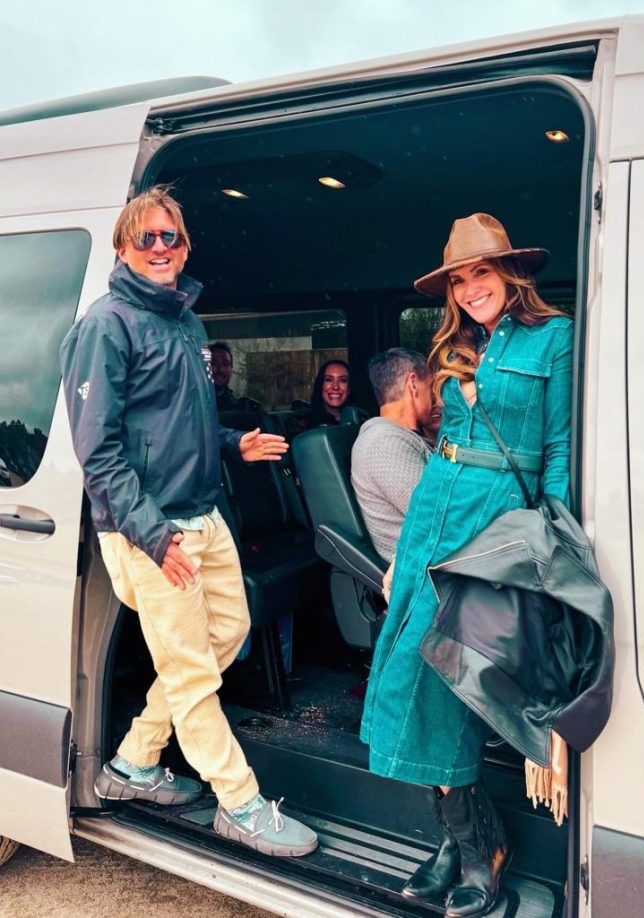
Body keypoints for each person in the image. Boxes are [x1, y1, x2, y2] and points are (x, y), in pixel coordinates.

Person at [59, 185, 317, 858]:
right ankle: (241, 804)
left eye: (170, 236)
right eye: (145, 237)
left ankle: (134, 760)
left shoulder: (186, 324)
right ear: (123, 248)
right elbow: (99, 452)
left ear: (185, 247)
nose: (159, 247)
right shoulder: (106, 325)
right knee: (192, 671)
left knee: (226, 636)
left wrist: (235, 445)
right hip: (150, 530)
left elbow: (184, 422)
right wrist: (153, 534)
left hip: (205, 514)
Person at [360, 213, 573, 917]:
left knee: (452, 680)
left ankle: (479, 847)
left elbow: (558, 452)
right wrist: (405, 550)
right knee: (412, 674)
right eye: (459, 280)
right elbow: (444, 442)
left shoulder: (554, 338)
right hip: (433, 515)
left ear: (510, 274)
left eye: (481, 273)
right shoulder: (452, 347)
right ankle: (462, 840)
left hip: (495, 525)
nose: (471, 288)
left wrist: (551, 540)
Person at [351, 348, 434, 563]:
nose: (436, 397)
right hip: (427, 568)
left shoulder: (403, 436)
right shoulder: (384, 443)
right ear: (413, 383)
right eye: (431, 386)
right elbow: (437, 514)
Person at [209, 341, 239, 411]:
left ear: (231, 369)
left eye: (226, 364)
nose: (221, 369)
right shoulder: (193, 405)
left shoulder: (238, 408)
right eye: (214, 363)